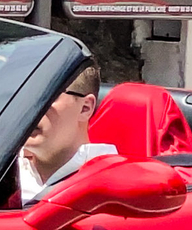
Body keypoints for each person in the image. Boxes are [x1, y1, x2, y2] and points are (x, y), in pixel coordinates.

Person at [16, 60, 117, 201]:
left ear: (85, 108)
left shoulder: (116, 182)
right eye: (20, 95)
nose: (29, 108)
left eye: (46, 95)